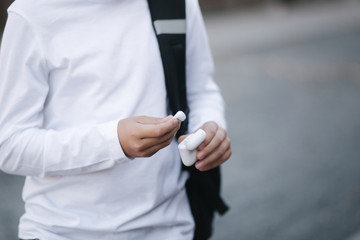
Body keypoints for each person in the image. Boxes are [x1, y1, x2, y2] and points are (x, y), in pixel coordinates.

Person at [0, 0, 231, 239]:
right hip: (62, 231)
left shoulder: (177, 4)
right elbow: (9, 145)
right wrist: (113, 142)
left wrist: (211, 128)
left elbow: (201, 89)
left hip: (171, 227)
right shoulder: (32, 12)